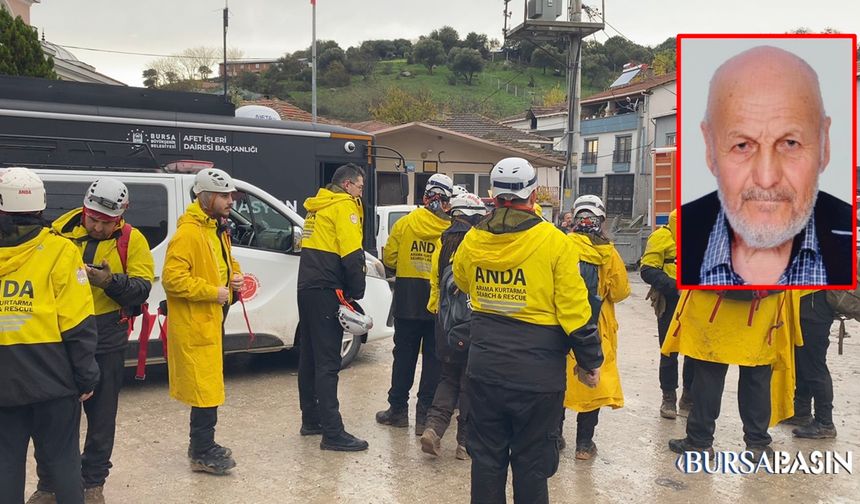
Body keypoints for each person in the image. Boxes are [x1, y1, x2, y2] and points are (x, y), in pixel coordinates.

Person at [452, 157, 603, 504]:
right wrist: (589, 360)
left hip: (485, 369)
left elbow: (461, 280)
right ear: (533, 194)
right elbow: (574, 310)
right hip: (538, 377)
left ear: (493, 195)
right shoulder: (556, 242)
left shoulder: (473, 240)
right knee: (532, 465)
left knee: (487, 462)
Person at [680, 45, 852, 286]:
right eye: (742, 145)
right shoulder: (685, 233)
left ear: (825, 146)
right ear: (709, 149)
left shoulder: (848, 235)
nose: (767, 177)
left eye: (790, 143)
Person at [31, 179, 154, 504]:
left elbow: (143, 288)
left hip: (106, 337)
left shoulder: (133, 240)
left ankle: (92, 483)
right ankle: (49, 484)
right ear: (84, 209)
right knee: (52, 416)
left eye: (106, 222)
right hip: (59, 336)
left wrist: (110, 282)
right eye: (93, 218)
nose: (98, 226)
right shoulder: (58, 231)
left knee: (101, 419)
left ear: (121, 216)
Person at [0, 167, 99, 504]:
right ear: (41, 206)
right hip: (53, 380)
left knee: (5, 465)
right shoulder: (61, 251)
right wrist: (86, 376)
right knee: (64, 464)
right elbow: (78, 322)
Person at [162, 167, 243, 475]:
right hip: (197, 323)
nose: (230, 201)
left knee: (209, 385)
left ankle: (202, 445)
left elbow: (224, 262)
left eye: (230, 195)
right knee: (205, 387)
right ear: (205, 197)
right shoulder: (188, 233)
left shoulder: (214, 228)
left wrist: (234, 277)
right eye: (223, 196)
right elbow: (173, 279)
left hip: (210, 320)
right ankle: (202, 450)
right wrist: (214, 292)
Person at [664, 288, 802, 459]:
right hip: (761, 315)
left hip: (714, 312)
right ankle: (757, 444)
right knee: (756, 379)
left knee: (708, 376)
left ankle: (699, 442)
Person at [297, 162, 370, 452]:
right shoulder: (343, 207)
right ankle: (333, 432)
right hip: (328, 288)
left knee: (309, 358)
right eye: (360, 187)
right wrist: (356, 293)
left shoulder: (315, 208)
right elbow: (352, 253)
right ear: (348, 185)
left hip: (307, 287)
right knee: (328, 362)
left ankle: (311, 420)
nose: (361, 193)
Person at [376, 174, 453, 435]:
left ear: (425, 197)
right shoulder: (450, 230)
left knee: (404, 357)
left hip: (407, 299)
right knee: (433, 360)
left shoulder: (405, 224)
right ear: (447, 202)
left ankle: (397, 411)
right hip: (437, 303)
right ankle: (425, 418)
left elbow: (391, 257)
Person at [420, 192, 487, 460]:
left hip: (444, 323)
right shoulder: (478, 242)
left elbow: (435, 283)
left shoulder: (442, 240)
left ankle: (433, 429)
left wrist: (439, 314)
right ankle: (464, 444)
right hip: (473, 323)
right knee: (470, 383)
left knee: (447, 378)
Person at [562, 195, 630, 461]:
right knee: (592, 383)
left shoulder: (561, 244)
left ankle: (554, 437)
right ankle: (584, 444)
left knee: (560, 382)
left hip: (563, 323)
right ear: (600, 221)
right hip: (596, 327)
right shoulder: (608, 253)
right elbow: (621, 292)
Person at [640, 210, 694, 419]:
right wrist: (675, 286)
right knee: (668, 350)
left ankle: (688, 396)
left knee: (694, 351)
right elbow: (647, 270)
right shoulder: (661, 237)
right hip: (670, 301)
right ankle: (668, 397)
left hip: (697, 302)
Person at [782, 291, 837, 439]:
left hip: (814, 305)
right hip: (806, 303)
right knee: (801, 360)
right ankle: (801, 410)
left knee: (814, 365)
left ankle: (825, 422)